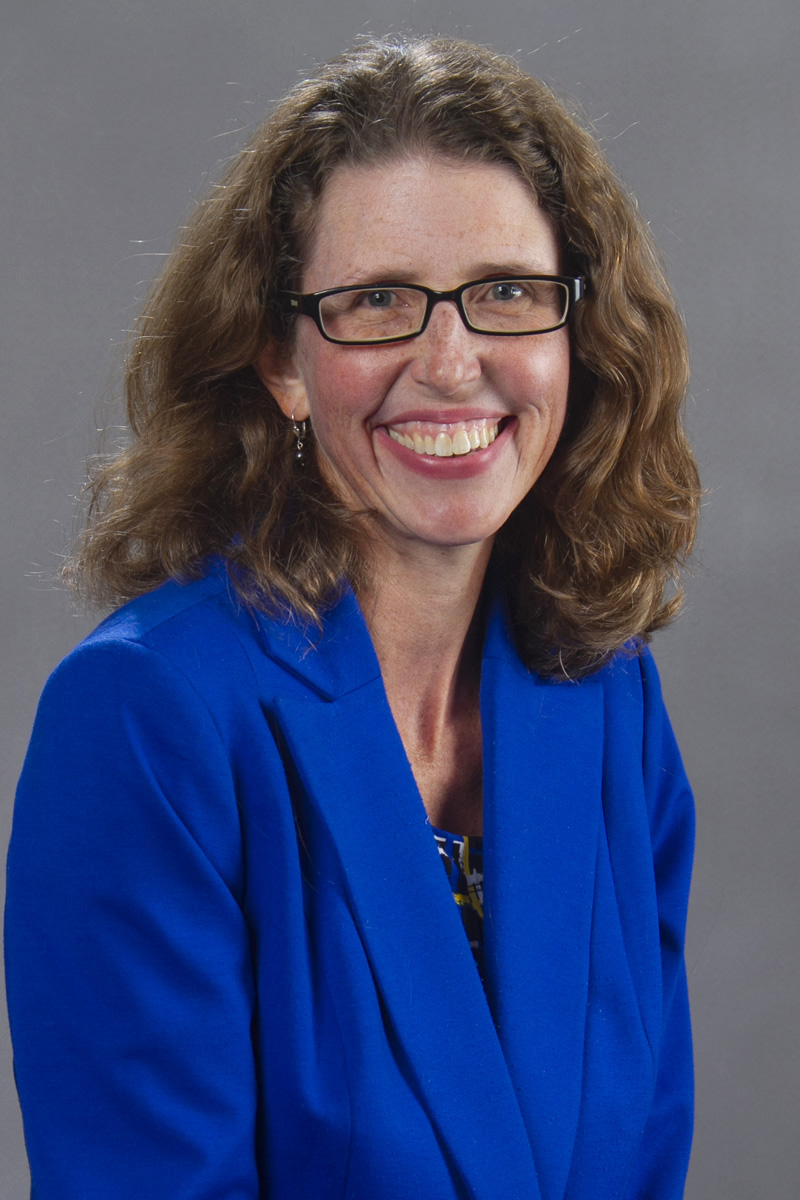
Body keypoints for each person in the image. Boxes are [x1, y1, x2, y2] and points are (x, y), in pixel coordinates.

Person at [5, 34, 701, 1200]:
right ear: (279, 358)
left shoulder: (603, 698)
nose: (449, 362)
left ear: (573, 333)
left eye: (505, 294)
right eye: (376, 302)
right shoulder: (147, 720)